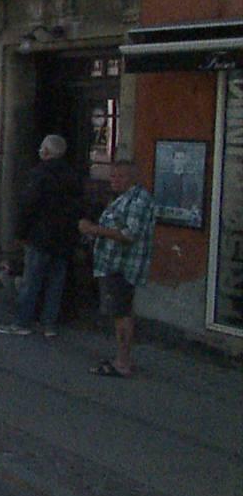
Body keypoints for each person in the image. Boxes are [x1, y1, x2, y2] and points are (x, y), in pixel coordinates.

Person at [0, 135, 83, 337]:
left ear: (46, 152)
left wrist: (19, 233)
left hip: (40, 236)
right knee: (56, 283)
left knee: (31, 281)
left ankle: (22, 322)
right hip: (64, 237)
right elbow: (78, 206)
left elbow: (28, 206)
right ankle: (49, 324)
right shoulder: (73, 176)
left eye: (41, 149)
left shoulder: (39, 174)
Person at [78, 161, 158, 378]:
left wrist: (93, 229)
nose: (114, 180)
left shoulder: (138, 200)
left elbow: (129, 234)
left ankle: (123, 362)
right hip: (113, 264)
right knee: (119, 313)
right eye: (112, 176)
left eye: (120, 176)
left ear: (132, 178)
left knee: (122, 314)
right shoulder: (123, 198)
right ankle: (121, 358)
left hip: (122, 266)